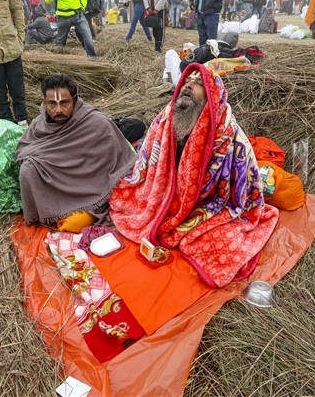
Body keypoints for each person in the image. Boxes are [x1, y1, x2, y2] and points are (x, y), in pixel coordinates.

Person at [109, 64, 279, 288]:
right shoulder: (166, 119)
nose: (189, 85)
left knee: (225, 247)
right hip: (169, 196)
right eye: (188, 81)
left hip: (209, 205)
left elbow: (243, 186)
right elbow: (147, 164)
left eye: (199, 84)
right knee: (127, 203)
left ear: (211, 94)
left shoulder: (227, 135)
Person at [16, 73, 136, 232]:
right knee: (28, 169)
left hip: (90, 188)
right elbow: (24, 149)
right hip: (56, 185)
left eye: (65, 103)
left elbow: (113, 160)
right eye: (52, 104)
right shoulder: (40, 124)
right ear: (44, 103)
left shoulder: (96, 123)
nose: (58, 109)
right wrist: (47, 162)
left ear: (75, 99)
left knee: (74, 224)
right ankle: (49, 210)